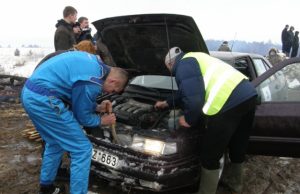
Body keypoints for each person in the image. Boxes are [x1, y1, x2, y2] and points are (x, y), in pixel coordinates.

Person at [21, 51, 128, 194]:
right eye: (114, 90)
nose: (111, 92)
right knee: (82, 149)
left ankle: (46, 188)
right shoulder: (94, 80)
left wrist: (96, 107)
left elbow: (76, 96)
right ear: (113, 81)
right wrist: (101, 120)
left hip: (30, 94)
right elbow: (81, 117)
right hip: (45, 101)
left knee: (54, 142)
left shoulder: (94, 65)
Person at [155, 47, 257, 194]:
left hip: (228, 102)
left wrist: (189, 119)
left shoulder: (182, 66)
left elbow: (195, 101)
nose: (171, 72)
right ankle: (235, 185)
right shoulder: (195, 57)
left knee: (209, 155)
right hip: (248, 95)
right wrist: (167, 102)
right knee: (237, 144)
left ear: (170, 64)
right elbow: (186, 90)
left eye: (169, 69)